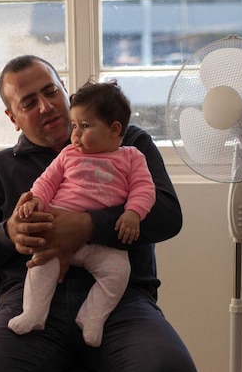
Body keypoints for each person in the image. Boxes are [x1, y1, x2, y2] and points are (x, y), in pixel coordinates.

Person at [0, 55, 200, 372]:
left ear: (65, 92)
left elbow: (168, 216)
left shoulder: (128, 143)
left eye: (50, 91)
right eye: (28, 102)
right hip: (28, 305)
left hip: (120, 302)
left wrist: (85, 226)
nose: (46, 106)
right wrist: (9, 234)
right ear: (12, 117)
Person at [8, 80, 156, 348]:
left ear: (114, 129)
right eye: (74, 126)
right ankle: (33, 313)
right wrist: (35, 201)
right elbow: (46, 182)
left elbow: (144, 188)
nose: (74, 134)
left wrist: (133, 213)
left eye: (84, 127)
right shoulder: (68, 154)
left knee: (118, 272)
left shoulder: (132, 157)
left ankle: (92, 317)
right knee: (41, 265)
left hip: (103, 242)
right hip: (57, 229)